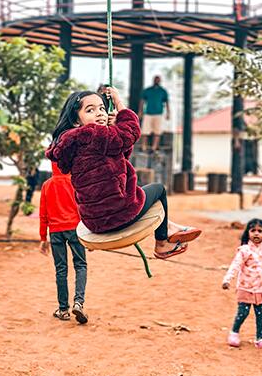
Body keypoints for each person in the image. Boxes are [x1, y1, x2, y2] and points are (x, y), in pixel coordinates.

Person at [46, 88, 201, 259]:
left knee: (137, 189)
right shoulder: (92, 134)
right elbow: (132, 131)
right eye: (90, 110)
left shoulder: (73, 142)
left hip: (93, 221)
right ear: (76, 121)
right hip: (118, 215)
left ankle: (171, 226)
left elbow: (121, 154)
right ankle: (162, 244)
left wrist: (112, 128)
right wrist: (119, 104)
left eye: (102, 108)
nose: (99, 113)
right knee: (158, 189)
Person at [39, 161, 88, 324]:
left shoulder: (47, 185)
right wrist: (89, 235)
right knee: (80, 265)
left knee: (61, 269)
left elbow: (43, 214)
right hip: (75, 229)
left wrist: (43, 238)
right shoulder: (75, 182)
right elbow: (83, 209)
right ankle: (78, 302)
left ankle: (63, 309)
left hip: (55, 231)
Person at [222, 218, 262, 351]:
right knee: (243, 313)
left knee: (261, 316)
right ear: (248, 233)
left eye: (260, 231)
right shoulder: (244, 250)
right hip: (246, 287)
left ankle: (260, 339)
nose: (256, 234)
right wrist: (227, 279)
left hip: (260, 289)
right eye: (253, 230)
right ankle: (234, 332)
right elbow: (236, 265)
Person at [138, 75, 170, 153]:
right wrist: (140, 111)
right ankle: (143, 147)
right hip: (148, 113)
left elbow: (167, 102)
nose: (157, 81)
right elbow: (142, 101)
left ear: (160, 81)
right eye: (155, 80)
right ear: (153, 80)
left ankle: (154, 148)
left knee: (157, 131)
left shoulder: (163, 91)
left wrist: (168, 113)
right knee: (145, 131)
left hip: (159, 114)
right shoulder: (148, 90)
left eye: (158, 80)